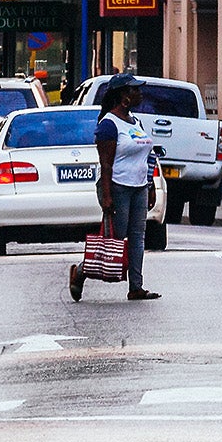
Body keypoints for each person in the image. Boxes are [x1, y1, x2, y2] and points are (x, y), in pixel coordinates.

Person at [77, 75, 159, 302]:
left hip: (139, 187)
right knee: (115, 238)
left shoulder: (136, 123)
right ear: (123, 96)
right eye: (135, 91)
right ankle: (81, 271)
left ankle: (136, 287)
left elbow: (148, 156)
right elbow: (106, 163)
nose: (139, 94)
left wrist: (150, 186)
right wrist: (107, 196)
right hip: (118, 187)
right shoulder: (108, 125)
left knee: (138, 237)